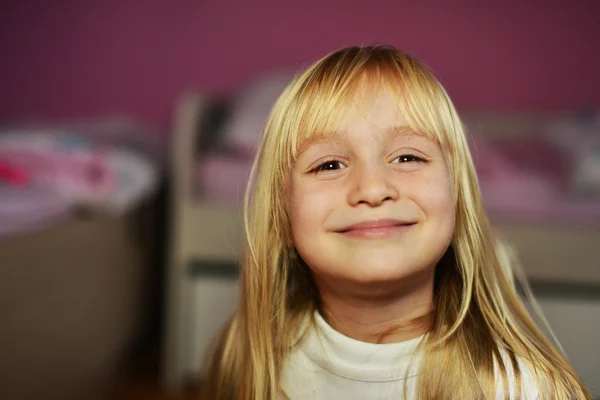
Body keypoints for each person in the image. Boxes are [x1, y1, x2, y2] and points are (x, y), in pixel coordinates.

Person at [201, 45, 593, 399]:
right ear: (283, 218)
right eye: (329, 164)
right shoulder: (248, 360)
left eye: (408, 158)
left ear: (458, 200)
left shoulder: (518, 389)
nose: (373, 189)